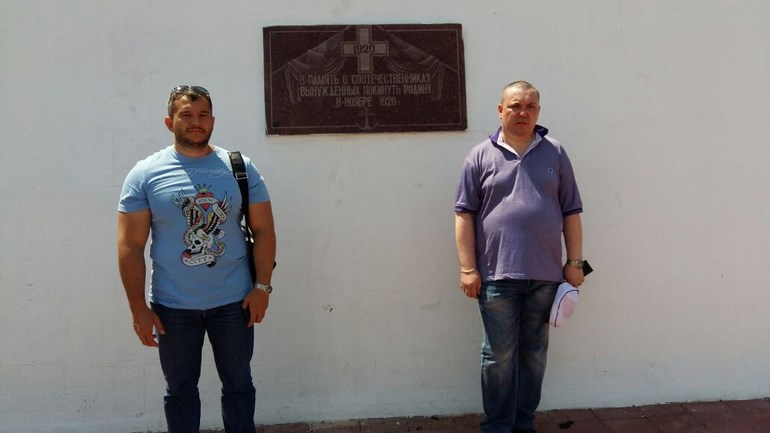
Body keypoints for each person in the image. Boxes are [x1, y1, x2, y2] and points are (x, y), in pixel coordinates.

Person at [117, 85, 276, 433]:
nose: (196, 122)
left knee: (239, 386)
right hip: (172, 307)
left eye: (203, 115)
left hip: (234, 302)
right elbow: (130, 245)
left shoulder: (239, 168)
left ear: (213, 121)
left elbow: (264, 229)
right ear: (169, 122)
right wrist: (137, 308)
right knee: (180, 393)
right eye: (186, 115)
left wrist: (262, 287)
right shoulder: (145, 174)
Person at [454, 81, 584, 433]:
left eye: (530, 106)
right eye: (515, 106)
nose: (522, 112)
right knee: (497, 356)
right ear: (501, 110)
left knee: (534, 354)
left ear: (538, 111)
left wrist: (576, 263)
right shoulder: (480, 155)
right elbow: (463, 214)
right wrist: (467, 268)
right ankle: (498, 426)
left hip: (545, 276)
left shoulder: (556, 153)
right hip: (496, 275)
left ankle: (523, 424)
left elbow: (571, 211)